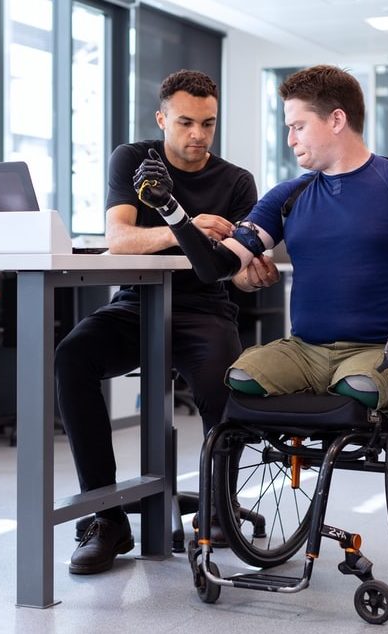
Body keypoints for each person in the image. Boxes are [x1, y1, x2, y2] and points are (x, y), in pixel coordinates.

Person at [134, 64, 388, 412]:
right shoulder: (287, 197)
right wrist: (170, 209)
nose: (290, 140)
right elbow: (216, 266)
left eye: (298, 127)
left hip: (376, 350)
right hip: (303, 352)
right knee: (240, 379)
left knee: (358, 387)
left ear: (336, 121)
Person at [54, 69, 277, 575]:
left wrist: (251, 278)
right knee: (73, 358)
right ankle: (105, 518)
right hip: (138, 303)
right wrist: (184, 227)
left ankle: (220, 507)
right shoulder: (134, 161)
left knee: (226, 386)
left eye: (208, 123)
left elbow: (237, 276)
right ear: (162, 119)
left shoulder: (237, 181)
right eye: (185, 122)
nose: (197, 135)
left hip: (205, 309)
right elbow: (119, 239)